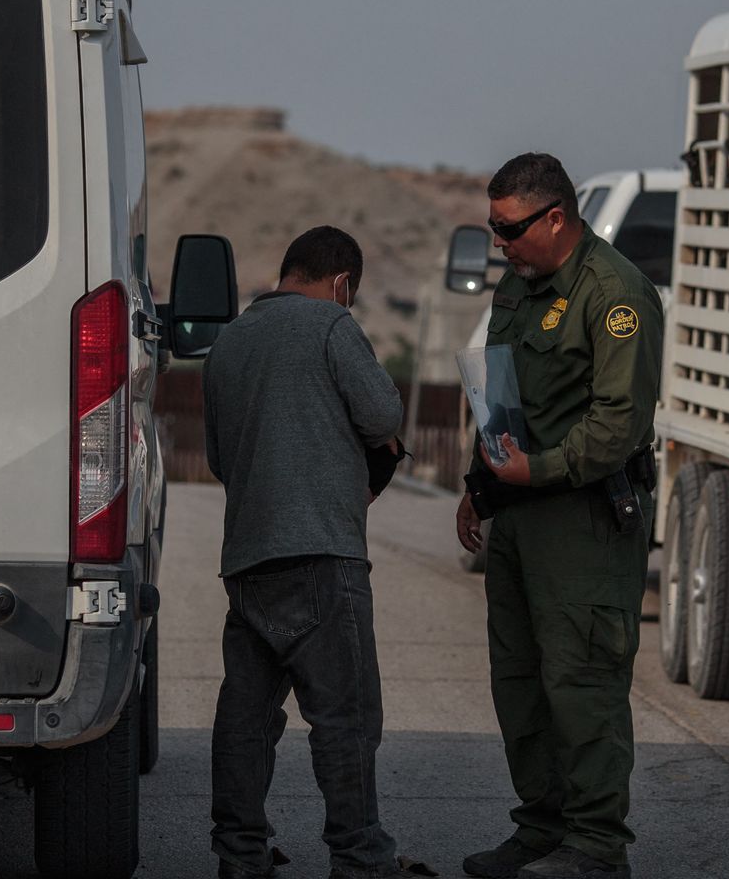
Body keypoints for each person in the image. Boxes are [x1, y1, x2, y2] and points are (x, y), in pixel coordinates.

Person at [456, 154, 664, 879]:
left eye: (510, 229)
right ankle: (541, 830)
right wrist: (478, 484)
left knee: (581, 683)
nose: (500, 244)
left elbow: (617, 426)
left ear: (556, 218)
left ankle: (597, 846)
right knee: (521, 681)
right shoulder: (520, 284)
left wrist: (535, 471)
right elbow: (500, 390)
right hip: (518, 513)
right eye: (492, 229)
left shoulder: (616, 295)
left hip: (583, 519)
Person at [203, 226, 432, 879]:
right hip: (323, 559)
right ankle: (360, 860)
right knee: (347, 721)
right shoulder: (332, 327)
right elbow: (384, 415)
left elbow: (221, 459)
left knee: (246, 720)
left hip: (248, 563)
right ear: (341, 285)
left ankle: (240, 856)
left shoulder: (228, 342)